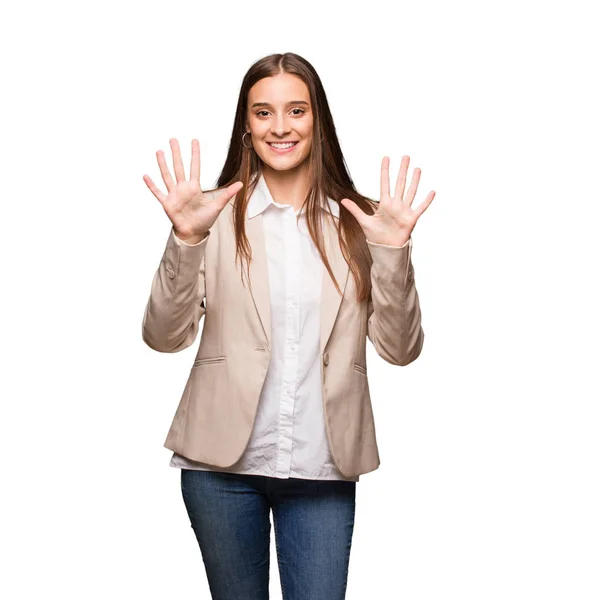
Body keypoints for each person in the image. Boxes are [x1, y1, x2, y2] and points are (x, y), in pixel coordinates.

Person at [141, 52, 435, 600]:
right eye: (263, 113)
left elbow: (400, 349)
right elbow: (163, 336)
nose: (280, 126)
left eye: (296, 110)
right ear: (246, 127)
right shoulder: (212, 218)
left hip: (322, 466)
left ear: (317, 120)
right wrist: (185, 240)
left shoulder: (362, 223)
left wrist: (393, 252)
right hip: (219, 468)